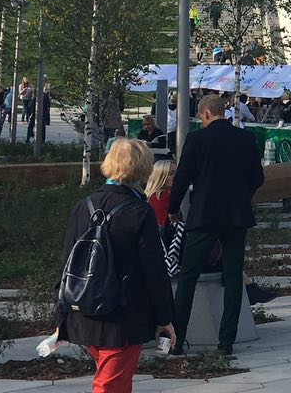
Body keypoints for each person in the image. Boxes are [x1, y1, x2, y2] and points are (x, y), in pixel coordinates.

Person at [55, 139, 174, 392]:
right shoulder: (140, 212)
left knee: (115, 379)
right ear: (143, 168)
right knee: (110, 385)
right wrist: (165, 318)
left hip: (84, 307)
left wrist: (61, 312)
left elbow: (66, 262)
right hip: (122, 315)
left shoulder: (82, 207)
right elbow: (154, 270)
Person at [167, 94, 264, 355]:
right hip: (236, 216)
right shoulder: (245, 138)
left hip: (204, 215)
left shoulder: (197, 139)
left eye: (200, 117)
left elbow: (182, 177)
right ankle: (226, 342)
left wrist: (173, 209)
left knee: (188, 276)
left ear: (206, 114)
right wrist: (244, 198)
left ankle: (178, 339)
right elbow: (257, 177)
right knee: (233, 276)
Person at [146, 158, 175, 228]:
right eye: (171, 174)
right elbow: (162, 226)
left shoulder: (150, 196)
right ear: (161, 177)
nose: (176, 176)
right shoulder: (163, 196)